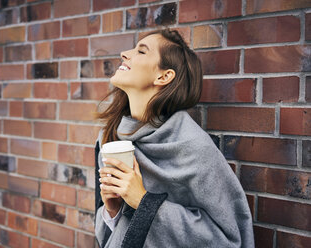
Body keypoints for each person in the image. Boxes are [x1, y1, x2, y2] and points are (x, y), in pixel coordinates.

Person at [94, 29, 254, 248]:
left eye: (141, 51)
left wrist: (143, 202)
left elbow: (227, 239)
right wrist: (112, 210)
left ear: (164, 76)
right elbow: (107, 236)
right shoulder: (109, 137)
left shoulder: (194, 147)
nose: (124, 53)